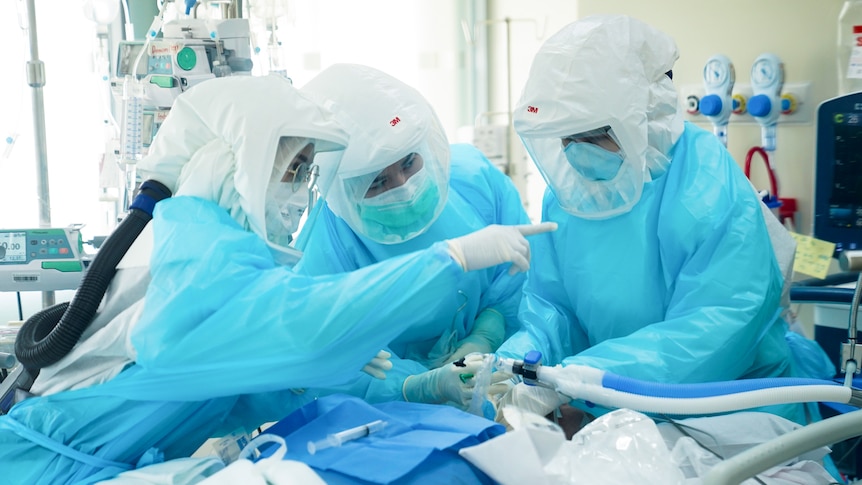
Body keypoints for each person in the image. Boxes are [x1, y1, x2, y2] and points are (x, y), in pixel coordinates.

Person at [0, 74, 553, 484]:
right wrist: (449, 258)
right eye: (289, 172)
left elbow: (259, 383)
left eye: (305, 175)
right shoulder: (191, 257)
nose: (296, 194)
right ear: (234, 168)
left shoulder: (217, 249)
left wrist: (407, 386)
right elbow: (299, 329)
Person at [495, 14, 832, 427]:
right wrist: (516, 365)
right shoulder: (570, 194)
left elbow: (714, 330)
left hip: (731, 412)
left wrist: (576, 380)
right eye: (567, 138)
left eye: (595, 134)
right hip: (609, 409)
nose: (578, 155)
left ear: (649, 115)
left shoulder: (705, 188)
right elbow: (552, 308)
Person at [293, 63, 537, 410]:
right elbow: (328, 358)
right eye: (377, 181)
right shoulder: (326, 248)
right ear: (342, 190)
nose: (403, 188)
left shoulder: (474, 181)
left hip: (495, 376)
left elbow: (521, 281)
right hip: (393, 413)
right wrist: (416, 386)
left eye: (409, 163)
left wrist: (488, 331)